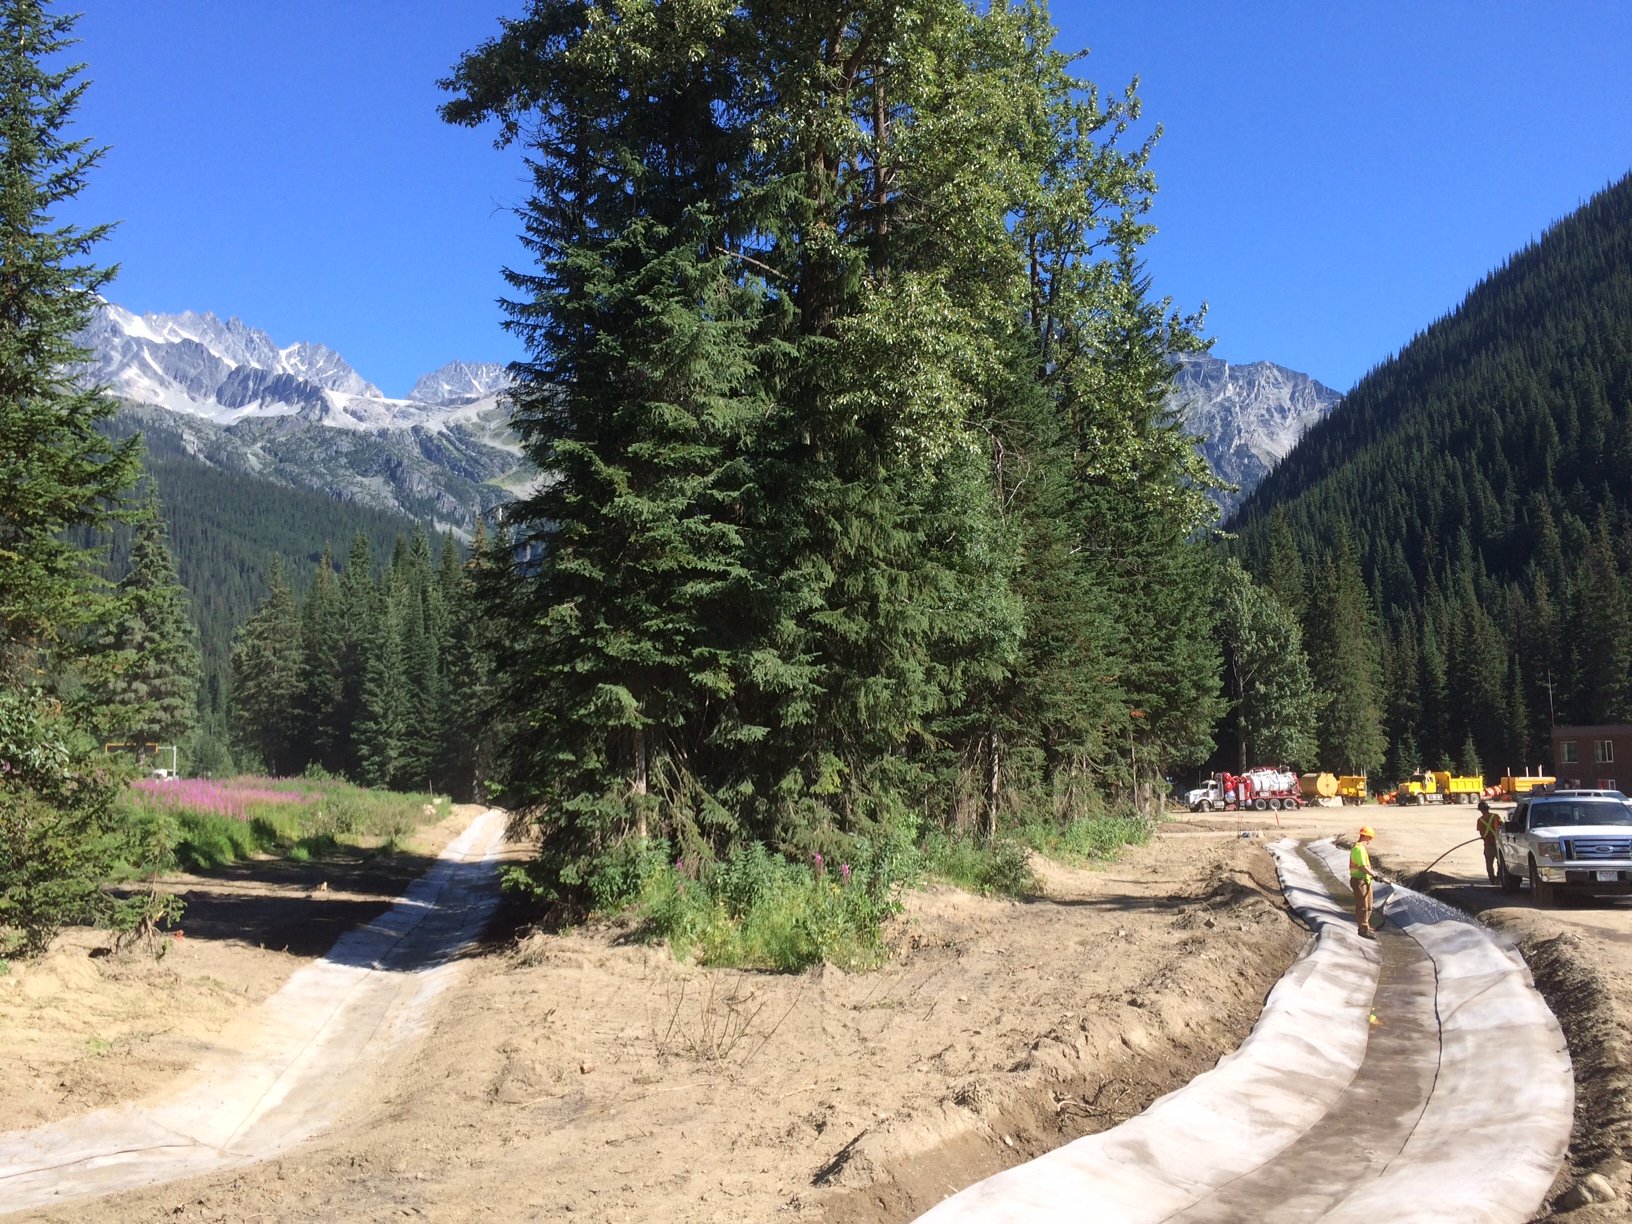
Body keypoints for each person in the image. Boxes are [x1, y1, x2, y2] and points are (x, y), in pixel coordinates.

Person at [1350, 826, 1378, 939]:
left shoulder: (1361, 848)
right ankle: (1362, 929)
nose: (1370, 840)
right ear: (1364, 835)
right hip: (1358, 880)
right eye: (1369, 837)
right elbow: (1362, 867)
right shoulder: (1358, 849)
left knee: (1369, 906)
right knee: (1363, 906)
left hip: (1365, 880)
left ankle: (1367, 926)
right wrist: (1374, 874)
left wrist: (1372, 875)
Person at [1476, 799, 1503, 883]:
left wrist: (1484, 836)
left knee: (1489, 863)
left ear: (1481, 810)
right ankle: (1499, 878)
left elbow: (1481, 833)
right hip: (1497, 843)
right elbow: (1502, 826)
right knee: (1500, 862)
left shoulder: (1480, 820)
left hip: (1488, 845)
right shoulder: (1496, 816)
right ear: (1488, 808)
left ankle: (1492, 879)